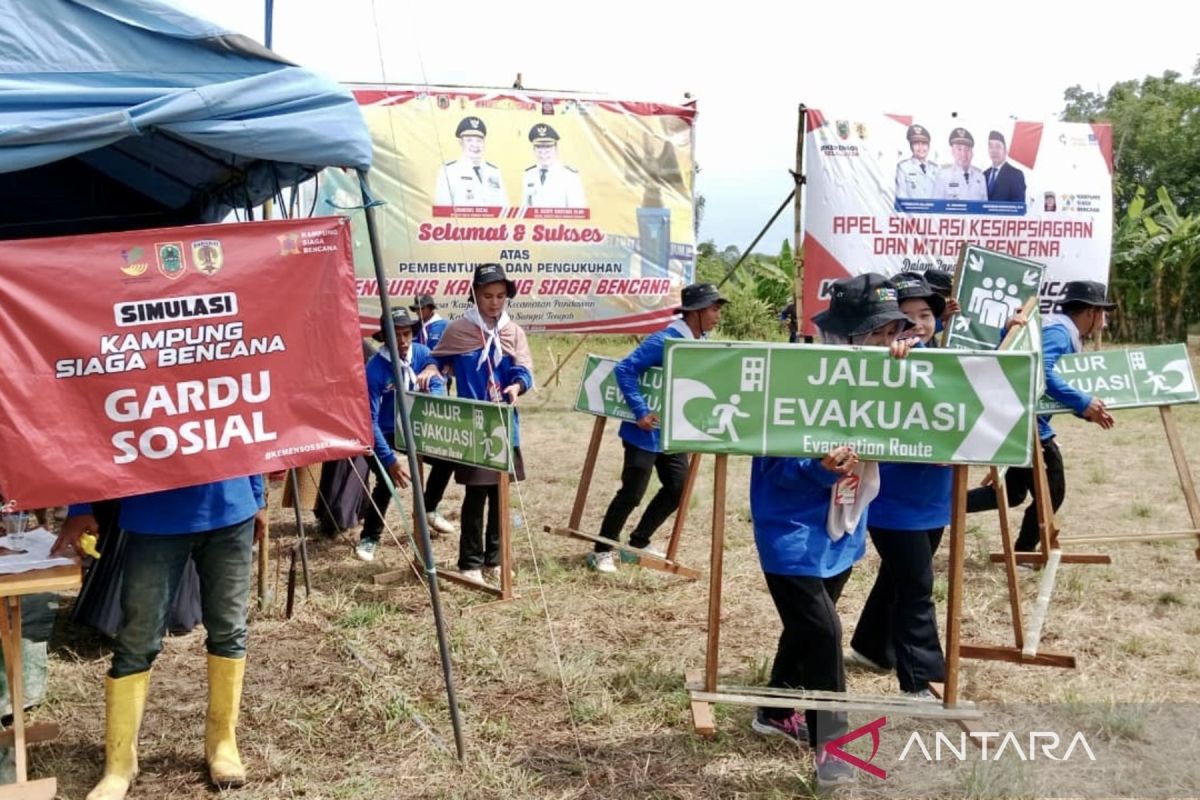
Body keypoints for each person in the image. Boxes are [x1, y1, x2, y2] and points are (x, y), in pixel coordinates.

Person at [750, 272, 913, 791]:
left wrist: (904, 377)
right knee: (825, 634)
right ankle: (833, 751)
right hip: (791, 532)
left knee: (807, 628)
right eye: (876, 333)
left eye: (892, 332)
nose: (886, 343)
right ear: (844, 335)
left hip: (842, 528)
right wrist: (819, 468)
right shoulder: (792, 380)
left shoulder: (884, 375)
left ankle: (774, 710)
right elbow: (775, 468)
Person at [51, 476, 267, 797]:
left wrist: (257, 497)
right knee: (137, 641)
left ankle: (222, 743)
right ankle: (119, 762)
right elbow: (91, 442)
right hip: (152, 517)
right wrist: (81, 506)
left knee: (230, 632)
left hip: (230, 510)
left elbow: (246, 442)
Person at [846, 273, 949, 699]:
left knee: (898, 576)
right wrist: (888, 363)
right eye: (904, 320)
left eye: (924, 315)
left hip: (935, 496)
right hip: (892, 500)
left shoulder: (944, 361)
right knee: (917, 587)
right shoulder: (877, 364)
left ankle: (871, 647)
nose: (916, 326)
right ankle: (921, 681)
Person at [966, 280, 1116, 552]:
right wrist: (1083, 402)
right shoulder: (1060, 333)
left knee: (1013, 493)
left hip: (1018, 419)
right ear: (1091, 312)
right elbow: (1040, 371)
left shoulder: (1061, 330)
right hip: (1026, 424)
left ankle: (945, 505)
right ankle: (1024, 553)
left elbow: (1053, 387)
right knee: (1052, 491)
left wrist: (1086, 411)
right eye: (1103, 313)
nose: (1104, 323)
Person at [587, 283, 727, 574]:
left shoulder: (701, 341)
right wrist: (640, 411)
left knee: (678, 488)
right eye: (714, 309)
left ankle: (639, 541)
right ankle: (602, 549)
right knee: (632, 493)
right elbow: (625, 369)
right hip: (644, 432)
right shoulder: (664, 340)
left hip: (672, 433)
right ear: (696, 312)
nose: (717, 315)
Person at [424, 264, 534, 584]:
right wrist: (431, 370)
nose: (494, 302)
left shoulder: (513, 332)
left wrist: (517, 386)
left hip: (504, 425)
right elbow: (437, 359)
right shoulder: (459, 330)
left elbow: (523, 370)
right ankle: (469, 563)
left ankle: (495, 560)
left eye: (500, 296)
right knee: (476, 496)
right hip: (473, 425)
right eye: (487, 296)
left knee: (500, 496)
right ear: (474, 295)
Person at [358, 308, 451, 562]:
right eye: (395, 334)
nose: (402, 340)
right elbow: (370, 422)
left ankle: (429, 508)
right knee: (386, 480)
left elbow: (437, 379)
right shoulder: (375, 369)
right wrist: (389, 460)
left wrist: (432, 391)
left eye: (407, 333)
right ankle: (369, 537)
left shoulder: (421, 353)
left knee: (447, 458)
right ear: (385, 337)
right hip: (383, 432)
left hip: (415, 426)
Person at [433, 116, 507, 208]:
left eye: (479, 140)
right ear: (460, 142)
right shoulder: (448, 172)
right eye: (469, 140)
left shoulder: (494, 171)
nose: (475, 145)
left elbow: (504, 208)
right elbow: (442, 210)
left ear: (484, 143)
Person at [520, 124, 587, 209]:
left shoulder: (569, 176)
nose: (543, 152)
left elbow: (578, 211)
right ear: (534, 150)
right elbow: (525, 208)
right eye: (539, 147)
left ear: (556, 149)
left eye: (548, 147)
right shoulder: (529, 174)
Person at [933, 127, 987, 201]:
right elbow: (937, 206)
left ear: (972, 153)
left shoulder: (980, 177)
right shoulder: (943, 177)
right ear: (952, 152)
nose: (963, 154)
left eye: (967, 149)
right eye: (959, 149)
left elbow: (984, 205)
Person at [894, 123, 938, 199]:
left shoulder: (936, 169)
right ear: (911, 146)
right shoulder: (903, 168)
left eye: (924, 143)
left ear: (928, 146)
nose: (921, 147)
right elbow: (901, 196)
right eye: (916, 143)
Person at [984, 131, 1027, 202]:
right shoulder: (984, 175)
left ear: (1005, 151)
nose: (994, 151)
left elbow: (1018, 205)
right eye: (991, 147)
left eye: (998, 146)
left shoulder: (1016, 175)